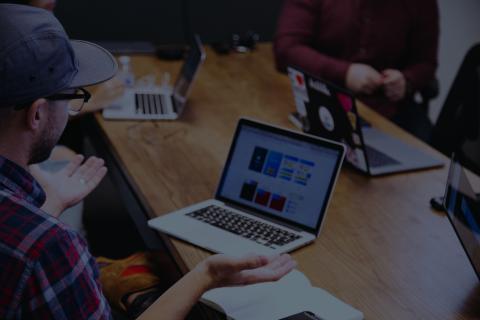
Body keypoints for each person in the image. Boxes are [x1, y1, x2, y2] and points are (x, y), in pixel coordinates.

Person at [0, 4, 296, 320]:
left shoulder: (33, 235)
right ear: (37, 113)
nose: (73, 106)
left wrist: (50, 206)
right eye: (72, 96)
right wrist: (206, 275)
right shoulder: (50, 250)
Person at [274, 0, 439, 139]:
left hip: (386, 113)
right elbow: (287, 48)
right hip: (317, 96)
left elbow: (426, 63)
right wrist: (344, 73)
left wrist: (407, 80)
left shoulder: (421, 4)